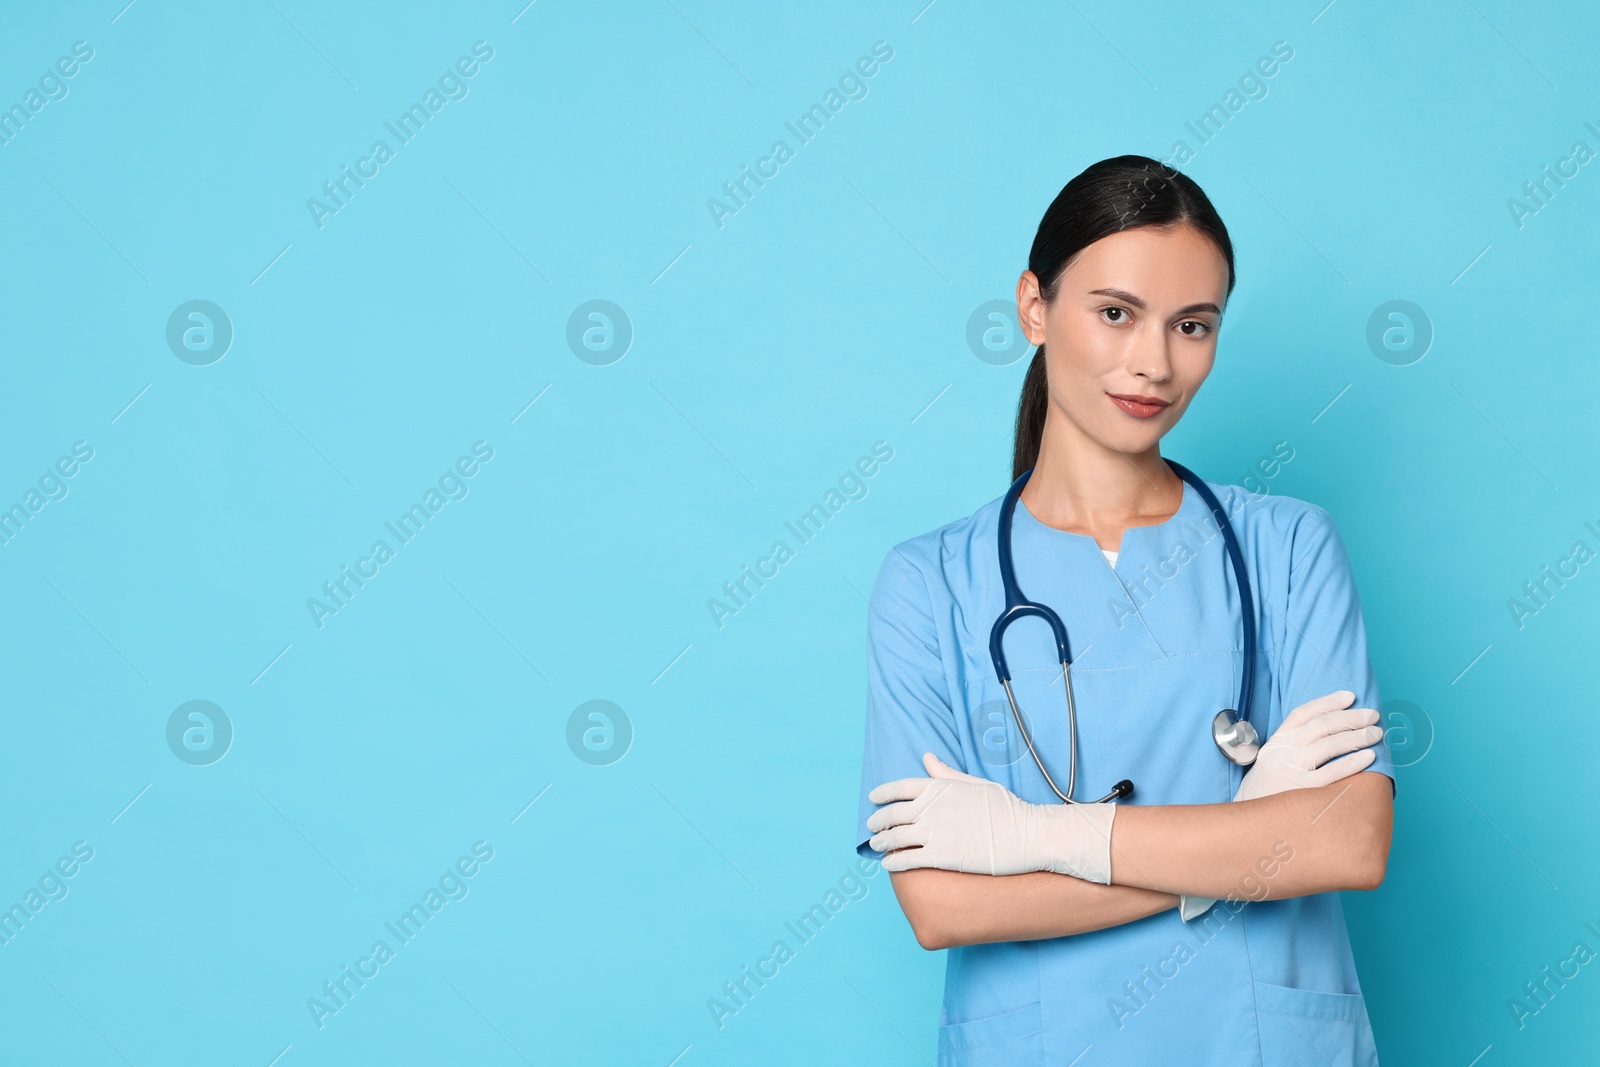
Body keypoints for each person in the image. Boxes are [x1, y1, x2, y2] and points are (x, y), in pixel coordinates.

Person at [855, 155, 1395, 1065]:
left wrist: (1031, 836)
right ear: (1034, 307)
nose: (1154, 362)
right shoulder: (927, 584)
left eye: (1194, 325)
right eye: (1116, 313)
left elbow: (1348, 839)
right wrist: (1245, 841)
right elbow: (945, 904)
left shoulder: (1291, 548)